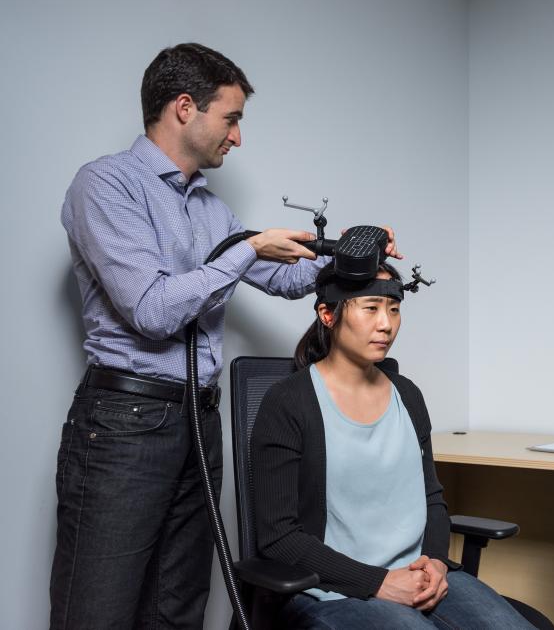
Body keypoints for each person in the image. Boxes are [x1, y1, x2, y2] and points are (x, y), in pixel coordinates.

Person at [50, 42, 400, 630]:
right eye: (231, 118)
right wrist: (245, 250)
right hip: (125, 423)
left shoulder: (213, 212)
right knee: (99, 609)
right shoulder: (106, 186)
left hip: (198, 422)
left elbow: (288, 280)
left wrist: (351, 255)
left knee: (177, 606)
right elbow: (151, 310)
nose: (237, 138)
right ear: (185, 108)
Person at [251, 262, 535, 629]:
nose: (386, 324)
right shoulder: (288, 402)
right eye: (370, 308)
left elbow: (431, 498)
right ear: (327, 314)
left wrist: (434, 561)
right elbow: (279, 538)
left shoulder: (408, 395)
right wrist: (378, 583)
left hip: (418, 573)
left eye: (394, 309)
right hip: (331, 589)